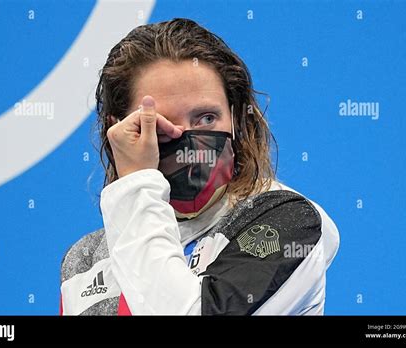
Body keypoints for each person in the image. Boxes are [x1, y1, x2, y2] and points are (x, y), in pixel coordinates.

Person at [60, 18, 339, 315]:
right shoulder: (85, 262)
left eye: (206, 118)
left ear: (236, 119)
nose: (188, 144)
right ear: (119, 132)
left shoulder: (290, 223)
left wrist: (137, 182)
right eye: (160, 124)